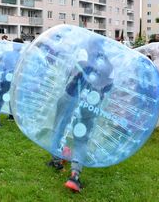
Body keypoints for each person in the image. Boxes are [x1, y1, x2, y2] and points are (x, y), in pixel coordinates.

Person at [48, 41, 114, 192]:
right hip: (92, 103)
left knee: (59, 127)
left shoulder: (83, 52)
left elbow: (73, 70)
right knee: (81, 138)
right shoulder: (110, 65)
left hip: (71, 95)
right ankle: (74, 176)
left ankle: (57, 159)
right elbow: (109, 86)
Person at [0, 38, 24, 127]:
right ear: (21, 47)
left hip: (3, 78)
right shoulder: (21, 56)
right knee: (13, 97)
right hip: (13, 79)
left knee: (2, 96)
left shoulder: (6, 53)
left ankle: (9, 115)